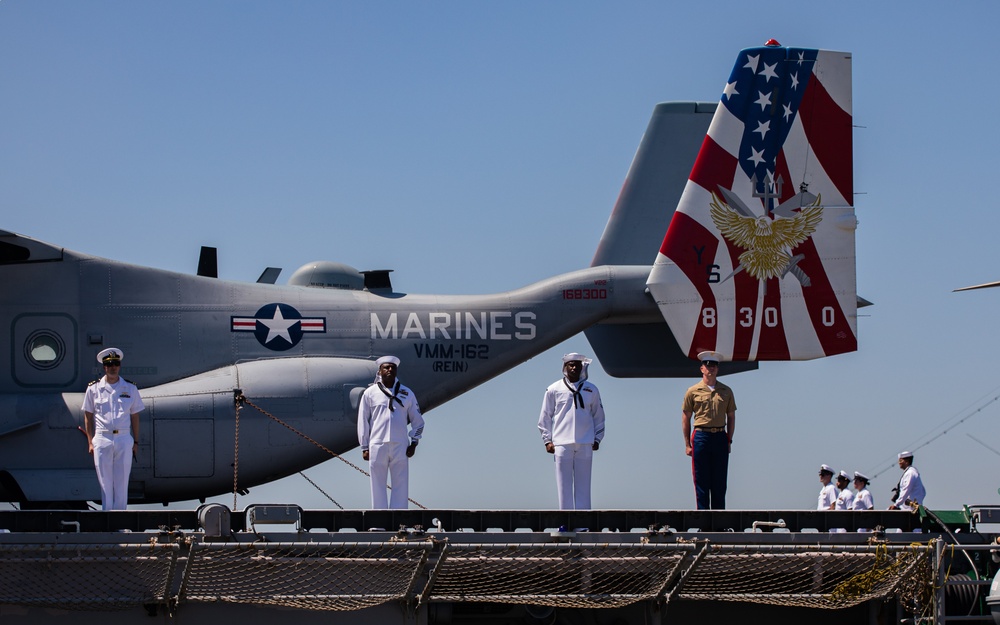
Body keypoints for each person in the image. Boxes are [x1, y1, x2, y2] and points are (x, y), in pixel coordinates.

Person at [538, 353, 606, 510]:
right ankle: (565, 521)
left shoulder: (591, 389)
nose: (574, 367)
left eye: (577, 365)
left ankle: (582, 523)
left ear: (582, 367)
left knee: (584, 484)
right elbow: (545, 416)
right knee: (563, 485)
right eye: (571, 364)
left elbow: (599, 416)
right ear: (565, 367)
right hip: (561, 442)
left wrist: (597, 438)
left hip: (585, 442)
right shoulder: (554, 389)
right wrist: (547, 440)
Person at [357, 355, 425, 509]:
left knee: (401, 483)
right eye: (386, 367)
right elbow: (363, 420)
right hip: (377, 443)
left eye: (392, 368)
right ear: (379, 371)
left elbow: (418, 421)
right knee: (377, 483)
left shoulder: (407, 393)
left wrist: (414, 442)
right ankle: (379, 521)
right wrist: (364, 446)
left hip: (400, 444)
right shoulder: (370, 393)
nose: (389, 370)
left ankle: (398, 519)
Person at [82, 348, 145, 510]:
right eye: (109, 364)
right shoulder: (94, 389)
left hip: (124, 438)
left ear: (120, 366)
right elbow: (88, 416)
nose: (113, 367)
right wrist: (90, 442)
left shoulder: (130, 388)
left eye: (116, 364)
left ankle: (120, 521)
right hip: (102, 438)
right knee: (105, 482)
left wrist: (136, 441)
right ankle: (107, 518)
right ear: (104, 367)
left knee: (122, 481)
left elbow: (135, 416)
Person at [681, 351, 736, 510]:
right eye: (707, 366)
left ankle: (719, 521)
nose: (710, 369)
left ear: (717, 369)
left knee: (719, 481)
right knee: (701, 481)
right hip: (701, 436)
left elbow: (731, 416)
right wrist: (687, 444)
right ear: (702, 369)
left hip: (719, 435)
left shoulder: (726, 391)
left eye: (714, 366)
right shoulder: (693, 391)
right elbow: (686, 417)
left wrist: (729, 439)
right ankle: (703, 521)